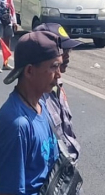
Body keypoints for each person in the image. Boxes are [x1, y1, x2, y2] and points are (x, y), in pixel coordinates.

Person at [0, 31, 61, 195]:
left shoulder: (42, 106)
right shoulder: (16, 126)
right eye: (53, 67)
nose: (59, 75)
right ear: (29, 71)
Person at [34, 23, 83, 163]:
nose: (67, 56)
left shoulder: (57, 86)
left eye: (69, 50)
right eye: (62, 50)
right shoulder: (36, 96)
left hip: (67, 171)